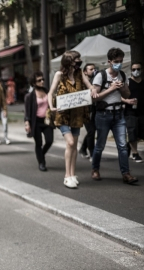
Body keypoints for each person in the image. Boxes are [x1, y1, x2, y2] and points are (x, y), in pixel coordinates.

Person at [49, 50, 97, 189]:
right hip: (63, 114)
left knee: (74, 145)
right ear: (69, 61)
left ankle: (72, 174)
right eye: (76, 60)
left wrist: (93, 89)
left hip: (77, 114)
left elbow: (89, 85)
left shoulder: (79, 73)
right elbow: (51, 92)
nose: (79, 62)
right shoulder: (59, 74)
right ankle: (66, 175)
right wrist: (52, 107)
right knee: (70, 142)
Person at [91, 48, 137, 184]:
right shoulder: (100, 76)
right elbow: (94, 98)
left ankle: (126, 174)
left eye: (121, 61)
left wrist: (121, 88)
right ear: (109, 62)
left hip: (119, 114)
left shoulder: (122, 74)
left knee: (123, 146)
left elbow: (127, 95)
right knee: (100, 145)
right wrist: (111, 88)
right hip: (103, 114)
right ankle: (95, 169)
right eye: (116, 61)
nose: (119, 64)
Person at [25, 72, 54, 171]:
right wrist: (27, 123)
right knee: (39, 143)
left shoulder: (47, 91)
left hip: (47, 121)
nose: (42, 81)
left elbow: (52, 102)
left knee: (49, 140)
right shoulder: (30, 96)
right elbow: (27, 111)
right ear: (33, 82)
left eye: (43, 79)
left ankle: (41, 154)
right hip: (36, 122)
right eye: (39, 80)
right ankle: (41, 162)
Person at [123, 61, 143, 163]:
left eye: (138, 69)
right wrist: (126, 101)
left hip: (142, 112)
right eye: (134, 69)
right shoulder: (128, 82)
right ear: (131, 71)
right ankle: (135, 153)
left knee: (140, 133)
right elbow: (120, 95)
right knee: (132, 131)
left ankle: (129, 146)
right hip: (130, 111)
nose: (136, 71)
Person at [78, 63, 98, 160]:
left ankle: (82, 148)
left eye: (94, 69)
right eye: (91, 69)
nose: (93, 71)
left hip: (93, 110)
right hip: (84, 111)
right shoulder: (81, 83)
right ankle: (92, 153)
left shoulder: (95, 81)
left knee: (92, 130)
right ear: (85, 72)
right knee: (91, 131)